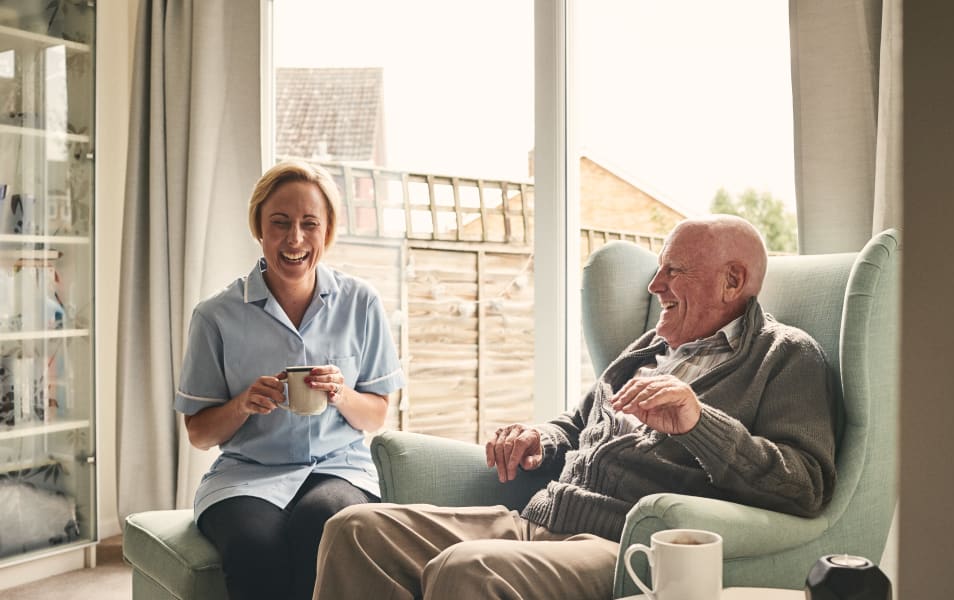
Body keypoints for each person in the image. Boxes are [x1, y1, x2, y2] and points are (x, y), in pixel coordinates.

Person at [311, 215, 837, 600]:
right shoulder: (650, 347)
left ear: (732, 281)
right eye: (658, 271)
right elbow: (580, 419)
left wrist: (698, 422)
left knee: (467, 570)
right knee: (354, 530)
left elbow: (806, 484)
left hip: (623, 542)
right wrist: (541, 436)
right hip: (540, 518)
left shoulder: (784, 355)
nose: (656, 287)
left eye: (674, 271)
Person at [174, 160, 405, 600]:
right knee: (251, 546)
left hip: (339, 469)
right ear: (259, 228)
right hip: (246, 475)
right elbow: (199, 433)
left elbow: (375, 414)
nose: (294, 238)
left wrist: (339, 394)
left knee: (324, 525)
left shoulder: (361, 303)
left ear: (327, 231)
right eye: (279, 223)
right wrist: (242, 403)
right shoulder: (215, 316)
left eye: (309, 224)